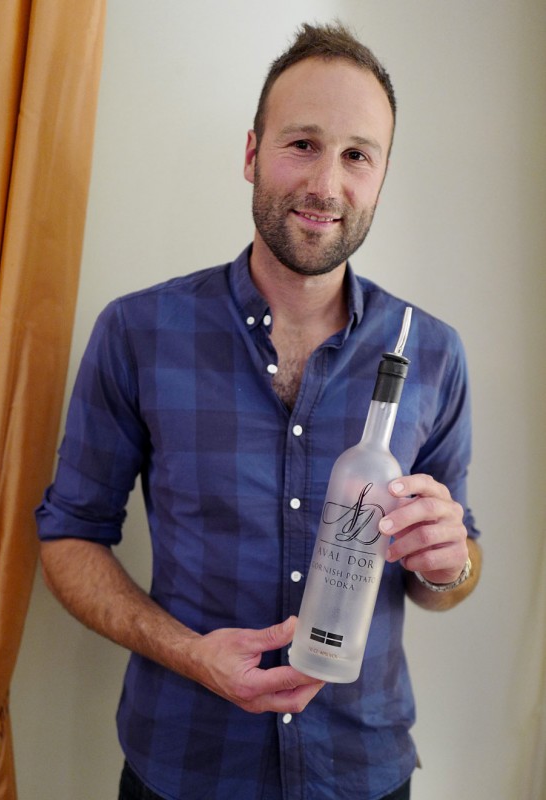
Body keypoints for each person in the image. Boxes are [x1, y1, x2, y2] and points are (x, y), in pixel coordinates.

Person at [36, 21, 481, 800]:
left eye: (357, 155)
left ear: (381, 176)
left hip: (362, 769)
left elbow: (446, 574)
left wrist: (451, 565)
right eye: (302, 144)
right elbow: (69, 537)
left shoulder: (434, 353)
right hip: (186, 762)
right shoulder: (138, 332)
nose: (326, 185)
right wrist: (190, 654)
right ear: (252, 154)